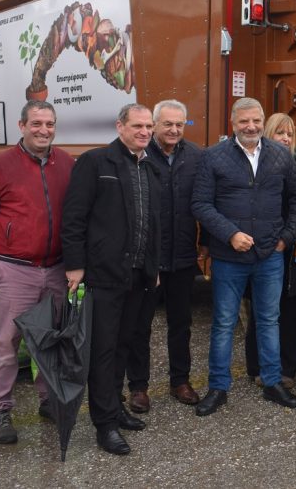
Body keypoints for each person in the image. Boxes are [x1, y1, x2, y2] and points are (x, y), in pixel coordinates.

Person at [0, 100, 74, 445]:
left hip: (55, 269)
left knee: (50, 341)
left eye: (50, 124)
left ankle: (48, 399)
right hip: (15, 270)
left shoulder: (67, 165)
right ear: (22, 125)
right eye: (37, 123)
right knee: (6, 343)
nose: (44, 130)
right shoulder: (0, 166)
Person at [191, 98, 296, 416]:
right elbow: (201, 203)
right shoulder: (213, 157)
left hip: (270, 254)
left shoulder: (279, 155)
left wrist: (287, 238)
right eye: (244, 121)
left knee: (269, 320)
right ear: (233, 123)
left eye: (256, 120)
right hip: (229, 257)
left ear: (262, 120)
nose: (251, 126)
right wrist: (229, 234)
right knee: (224, 323)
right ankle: (218, 387)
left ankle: (272, 382)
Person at [62, 103, 162, 455]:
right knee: (102, 351)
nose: (145, 132)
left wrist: (154, 267)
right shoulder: (96, 163)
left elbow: (153, 224)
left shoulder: (149, 166)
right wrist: (74, 265)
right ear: (120, 126)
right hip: (104, 275)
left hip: (138, 275)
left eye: (149, 126)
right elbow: (74, 217)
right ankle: (104, 424)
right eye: (137, 125)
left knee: (124, 344)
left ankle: (116, 408)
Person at [124, 100, 203, 412]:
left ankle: (180, 380)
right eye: (167, 124)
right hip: (147, 257)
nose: (173, 130)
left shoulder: (197, 156)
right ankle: (139, 387)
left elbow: (207, 202)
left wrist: (205, 243)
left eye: (179, 125)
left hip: (183, 254)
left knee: (181, 323)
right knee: (140, 324)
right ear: (154, 125)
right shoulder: (139, 156)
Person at [243, 112, 296, 386]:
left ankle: (287, 368)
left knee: (291, 306)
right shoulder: (257, 163)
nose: (286, 138)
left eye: (290, 133)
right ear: (268, 134)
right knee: (261, 308)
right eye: (280, 133)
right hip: (267, 246)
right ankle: (255, 366)